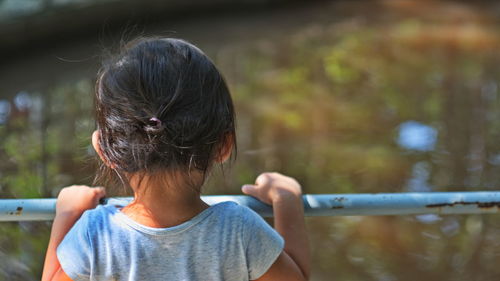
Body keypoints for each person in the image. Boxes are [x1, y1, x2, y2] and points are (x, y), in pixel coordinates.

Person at [41, 37, 310, 281]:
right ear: (224, 145)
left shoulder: (96, 234)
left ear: (104, 149)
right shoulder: (238, 230)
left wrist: (66, 214)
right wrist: (287, 200)